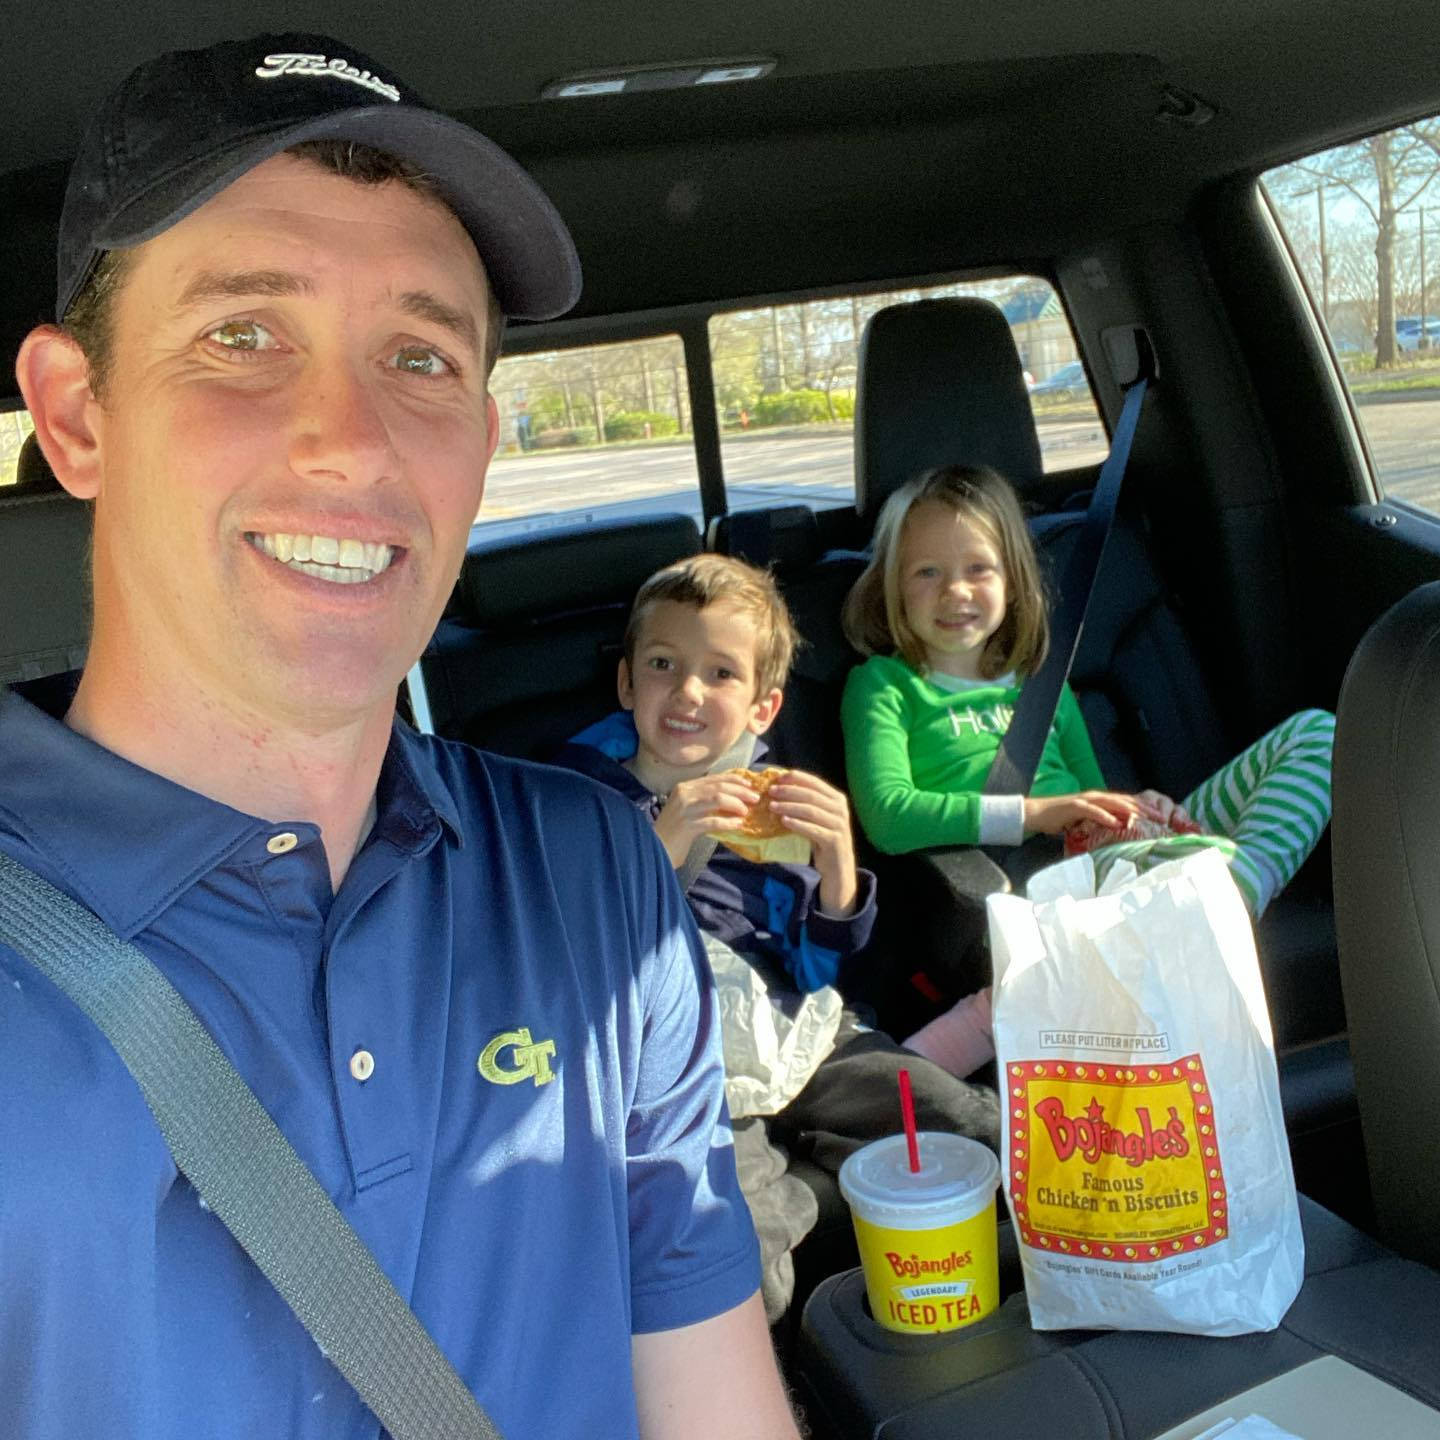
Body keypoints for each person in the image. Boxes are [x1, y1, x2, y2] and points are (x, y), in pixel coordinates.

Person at [2, 32, 801, 1440]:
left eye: (418, 356)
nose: (350, 440)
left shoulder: (598, 884)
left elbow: (711, 1403)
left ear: (483, 442)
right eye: (243, 336)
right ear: (76, 415)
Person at [553, 554, 1001, 1320]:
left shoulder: (778, 801)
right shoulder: (574, 797)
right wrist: (663, 844)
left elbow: (817, 967)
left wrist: (838, 871)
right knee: (737, 1250)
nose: (688, 692)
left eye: (721, 674)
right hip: (680, 1055)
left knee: (968, 1125)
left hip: (797, 1029)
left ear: (763, 707)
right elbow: (574, 949)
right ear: (628, 683)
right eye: (664, 664)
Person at [840, 465, 1335, 918]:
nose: (956, 591)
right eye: (927, 572)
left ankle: (1227, 892)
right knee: (1208, 861)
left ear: (1012, 582)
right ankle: (1227, 894)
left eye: (978, 569)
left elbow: (1093, 800)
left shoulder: (1044, 687)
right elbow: (888, 818)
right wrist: (1033, 813)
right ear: (894, 587)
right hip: (1042, 879)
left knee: (1318, 733)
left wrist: (1140, 810)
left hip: (1106, 853)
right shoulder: (885, 686)